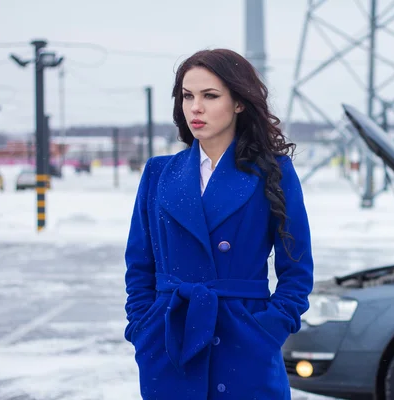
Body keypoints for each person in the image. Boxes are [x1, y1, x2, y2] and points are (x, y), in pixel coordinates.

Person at [123, 48, 314, 400]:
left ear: (239, 102)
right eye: (187, 96)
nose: (195, 107)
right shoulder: (158, 173)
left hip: (244, 343)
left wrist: (267, 330)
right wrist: (142, 327)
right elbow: (139, 264)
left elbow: (297, 270)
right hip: (170, 340)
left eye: (210, 96)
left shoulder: (273, 172)